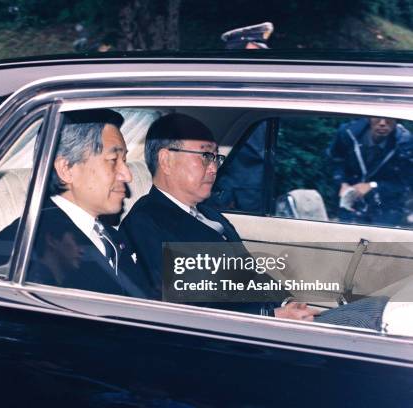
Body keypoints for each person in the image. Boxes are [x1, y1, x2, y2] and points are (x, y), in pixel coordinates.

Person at [121, 113, 396, 329]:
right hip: (246, 338)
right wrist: (272, 315)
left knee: (383, 309)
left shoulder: (209, 214)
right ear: (166, 160)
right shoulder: (147, 222)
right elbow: (186, 311)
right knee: (381, 319)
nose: (214, 168)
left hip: (270, 323)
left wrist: (288, 302)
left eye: (215, 157)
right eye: (205, 156)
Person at [0, 109, 152, 298]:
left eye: (125, 161)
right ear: (66, 169)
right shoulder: (20, 246)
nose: (127, 175)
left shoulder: (112, 236)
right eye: (113, 160)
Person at [210, 22, 274, 212]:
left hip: (252, 188)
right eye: (255, 51)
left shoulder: (255, 90)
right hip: (232, 193)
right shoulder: (226, 93)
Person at [328, 117, 413, 226]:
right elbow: (335, 160)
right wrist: (342, 183)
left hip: (386, 207)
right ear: (369, 118)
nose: (382, 123)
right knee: (349, 239)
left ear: (396, 120)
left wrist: (372, 186)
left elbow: (405, 184)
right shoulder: (347, 133)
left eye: (389, 118)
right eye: (377, 118)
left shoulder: (406, 143)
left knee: (377, 241)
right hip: (350, 203)